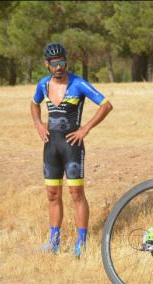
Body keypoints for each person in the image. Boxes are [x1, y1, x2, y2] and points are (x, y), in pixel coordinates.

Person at [30, 42, 113, 257]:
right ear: (46, 64)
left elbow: (106, 105)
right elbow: (34, 103)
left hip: (72, 147)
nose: (59, 67)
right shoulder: (43, 84)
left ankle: (81, 242)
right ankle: (54, 241)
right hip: (51, 146)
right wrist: (39, 124)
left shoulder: (78, 83)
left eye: (62, 62)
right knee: (52, 194)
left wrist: (85, 128)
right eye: (54, 63)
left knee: (76, 193)